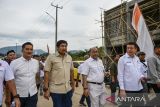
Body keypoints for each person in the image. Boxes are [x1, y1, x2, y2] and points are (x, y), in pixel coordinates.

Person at [44, 40, 75, 107]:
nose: (64, 48)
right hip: (56, 90)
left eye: (65, 46)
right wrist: (46, 89)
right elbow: (46, 73)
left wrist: (73, 84)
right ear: (57, 47)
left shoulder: (69, 57)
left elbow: (71, 71)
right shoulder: (51, 57)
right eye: (62, 46)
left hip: (68, 89)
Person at [10, 42, 39, 107]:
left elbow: (36, 77)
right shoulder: (14, 63)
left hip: (32, 95)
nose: (29, 51)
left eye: (31, 49)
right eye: (27, 49)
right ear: (22, 50)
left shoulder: (36, 62)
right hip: (19, 96)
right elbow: (10, 81)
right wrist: (13, 96)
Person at [118, 42, 145, 107]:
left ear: (136, 49)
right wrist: (122, 90)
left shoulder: (137, 58)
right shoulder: (122, 59)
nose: (129, 50)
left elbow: (139, 71)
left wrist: (142, 77)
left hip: (139, 89)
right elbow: (120, 75)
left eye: (131, 48)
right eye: (128, 48)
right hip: (128, 90)